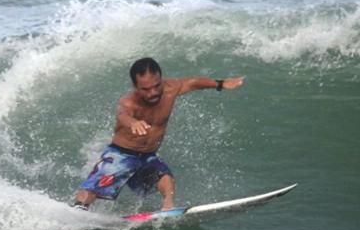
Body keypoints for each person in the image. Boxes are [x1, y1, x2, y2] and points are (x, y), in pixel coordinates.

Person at [74, 57, 244, 211]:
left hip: (147, 155)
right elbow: (122, 115)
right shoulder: (129, 102)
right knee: (95, 187)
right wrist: (133, 122)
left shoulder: (170, 89)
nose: (153, 92)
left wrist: (220, 84)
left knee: (165, 177)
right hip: (122, 154)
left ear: (161, 79)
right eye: (146, 89)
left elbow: (193, 82)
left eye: (156, 86)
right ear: (135, 86)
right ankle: (79, 209)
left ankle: (168, 207)